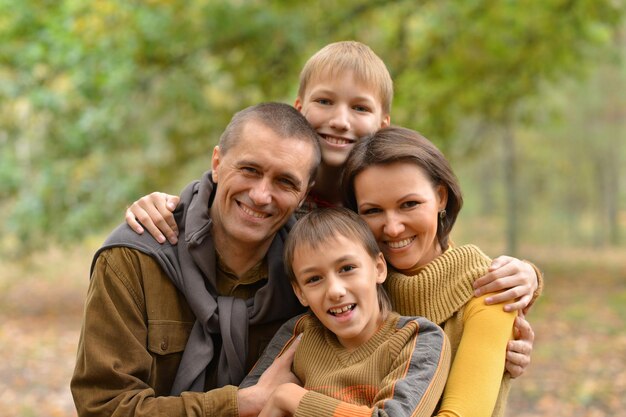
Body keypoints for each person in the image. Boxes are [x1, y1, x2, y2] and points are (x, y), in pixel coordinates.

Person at [124, 40, 539, 376]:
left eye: (359, 108)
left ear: (383, 124)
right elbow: (224, 187)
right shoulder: (270, 193)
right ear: (299, 107)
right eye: (326, 102)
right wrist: (165, 203)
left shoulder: (381, 198)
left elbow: (430, 259)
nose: (340, 121)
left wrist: (527, 279)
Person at [70, 102, 323, 417]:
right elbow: (104, 408)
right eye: (249, 170)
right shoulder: (133, 259)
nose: (261, 195)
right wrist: (240, 404)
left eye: (285, 182)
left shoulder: (314, 274)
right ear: (217, 163)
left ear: (305, 194)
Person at [341, 125, 541, 416]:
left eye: (409, 204)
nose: (393, 228)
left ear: (441, 198)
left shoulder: (491, 291)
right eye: (372, 211)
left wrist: (300, 403)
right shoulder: (348, 290)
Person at [240, 207, 451, 417]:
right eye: (314, 279)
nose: (335, 291)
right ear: (300, 292)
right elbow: (251, 401)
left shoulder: (417, 338)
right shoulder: (301, 334)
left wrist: (290, 397)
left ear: (378, 268)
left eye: (347, 268)